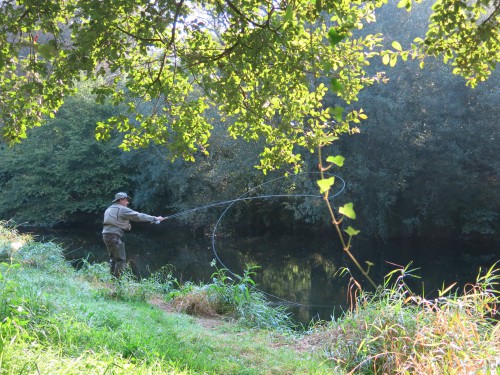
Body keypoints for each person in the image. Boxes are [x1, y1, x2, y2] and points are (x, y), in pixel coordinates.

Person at [102, 192, 165, 278]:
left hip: (106, 235)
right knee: (121, 260)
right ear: (120, 200)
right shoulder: (121, 209)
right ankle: (117, 283)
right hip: (113, 236)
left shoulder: (109, 209)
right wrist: (155, 218)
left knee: (114, 259)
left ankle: (112, 280)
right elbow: (138, 216)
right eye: (126, 200)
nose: (127, 202)